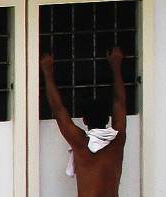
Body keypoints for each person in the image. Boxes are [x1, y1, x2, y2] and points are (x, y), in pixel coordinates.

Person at [40, 47, 127, 197]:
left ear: (84, 120)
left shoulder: (81, 144)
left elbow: (58, 109)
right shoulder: (118, 140)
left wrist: (48, 72)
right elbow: (120, 102)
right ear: (108, 119)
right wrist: (116, 66)